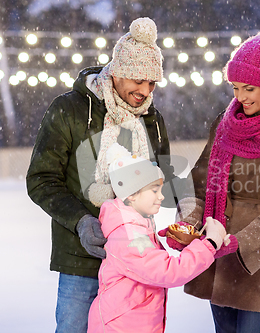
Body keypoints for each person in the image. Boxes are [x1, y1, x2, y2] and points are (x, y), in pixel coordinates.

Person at [165, 31, 260, 333]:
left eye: (248, 88)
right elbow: (199, 183)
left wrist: (240, 244)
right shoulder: (225, 126)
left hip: (259, 264)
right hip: (216, 256)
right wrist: (187, 225)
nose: (240, 97)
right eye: (236, 88)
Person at [26, 17, 175, 333]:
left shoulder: (152, 119)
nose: (145, 91)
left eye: (153, 83)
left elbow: (163, 179)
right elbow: (41, 179)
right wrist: (81, 222)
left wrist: (182, 216)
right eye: (138, 80)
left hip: (135, 258)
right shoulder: (70, 110)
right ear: (118, 70)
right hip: (81, 259)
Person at [87, 143, 232, 333]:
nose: (161, 197)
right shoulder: (128, 234)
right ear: (131, 194)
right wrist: (210, 243)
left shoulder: (134, 225)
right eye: (155, 190)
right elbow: (169, 272)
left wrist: (194, 241)